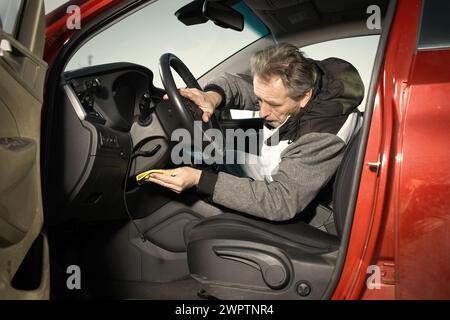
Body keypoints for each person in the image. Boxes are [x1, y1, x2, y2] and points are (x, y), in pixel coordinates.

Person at [146, 43, 364, 221]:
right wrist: (211, 97)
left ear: (305, 96)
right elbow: (237, 84)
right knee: (214, 157)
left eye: (272, 104)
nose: (262, 112)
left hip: (316, 212)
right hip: (279, 171)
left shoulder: (322, 135)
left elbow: (280, 202)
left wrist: (199, 179)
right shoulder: (293, 79)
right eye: (259, 100)